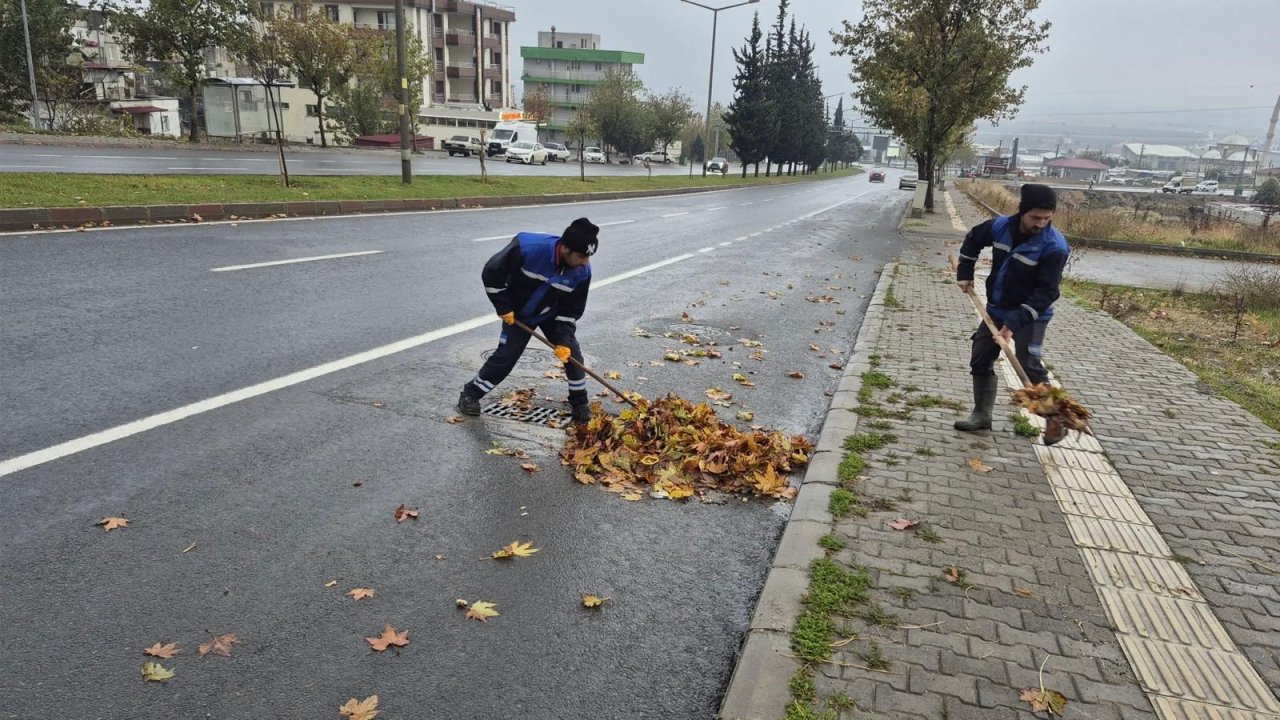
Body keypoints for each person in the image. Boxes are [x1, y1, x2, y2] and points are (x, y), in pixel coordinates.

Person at [458, 217, 599, 423]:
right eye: (581, 257)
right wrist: (504, 307)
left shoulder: (582, 272)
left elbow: (571, 310)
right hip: (519, 313)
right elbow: (492, 274)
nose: (585, 263)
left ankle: (580, 403)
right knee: (506, 356)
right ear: (565, 249)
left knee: (573, 356)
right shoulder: (528, 248)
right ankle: (470, 394)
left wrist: (562, 339)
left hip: (552, 312)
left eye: (589, 257)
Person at [953, 184, 1069, 432]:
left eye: (1047, 218)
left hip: (1031, 314)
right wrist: (965, 272)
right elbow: (973, 238)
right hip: (997, 308)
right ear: (1022, 211)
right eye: (1036, 217)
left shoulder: (1054, 247)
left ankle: (1055, 420)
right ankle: (982, 415)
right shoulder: (1001, 226)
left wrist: (1014, 324)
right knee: (981, 356)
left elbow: (1047, 293)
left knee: (1029, 363)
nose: (1041, 223)